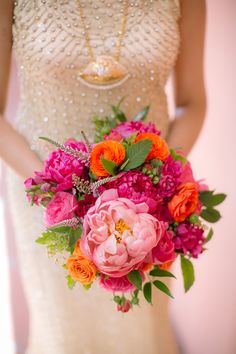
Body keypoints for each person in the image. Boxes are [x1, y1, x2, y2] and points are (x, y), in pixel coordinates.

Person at [0, 1, 206, 353]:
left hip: (144, 210)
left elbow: (192, 102)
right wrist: (63, 194)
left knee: (140, 329)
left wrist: (158, 187)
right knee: (61, 330)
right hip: (47, 201)